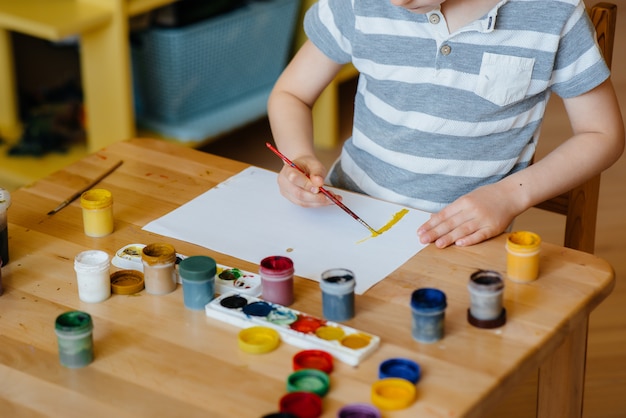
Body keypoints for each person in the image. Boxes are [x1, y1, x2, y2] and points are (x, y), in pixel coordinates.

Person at [267, 0, 624, 248]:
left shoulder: (553, 13)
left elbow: (602, 134)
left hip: (460, 240)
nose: (396, 3)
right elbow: (291, 94)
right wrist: (298, 156)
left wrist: (509, 196)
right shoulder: (359, 5)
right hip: (347, 214)